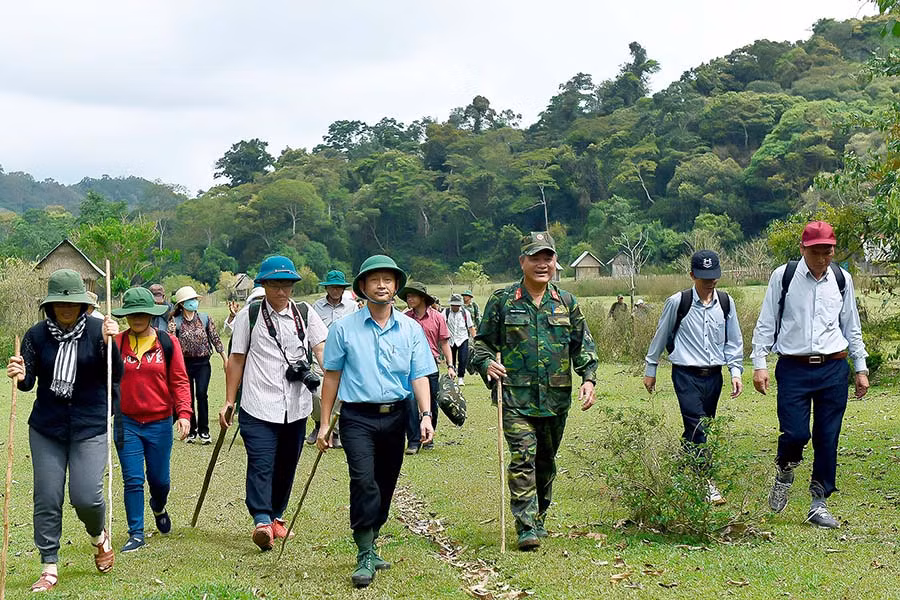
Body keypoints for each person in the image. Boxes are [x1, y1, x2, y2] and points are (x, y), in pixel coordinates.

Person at [472, 232, 598, 551]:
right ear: (522, 262)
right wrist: (487, 363)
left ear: (556, 262)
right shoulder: (502, 301)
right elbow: (482, 344)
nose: (542, 264)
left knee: (545, 461)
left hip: (555, 400)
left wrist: (588, 378)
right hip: (515, 398)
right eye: (535, 258)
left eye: (548, 258)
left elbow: (582, 345)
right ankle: (525, 525)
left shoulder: (567, 302)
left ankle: (539, 515)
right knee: (523, 456)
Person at [316, 254, 435, 588]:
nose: (382, 286)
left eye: (388, 280)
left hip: (397, 416)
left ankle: (373, 536)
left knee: (385, 483)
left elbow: (420, 375)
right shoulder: (343, 329)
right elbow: (332, 377)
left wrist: (425, 415)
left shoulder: (410, 329)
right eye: (374, 280)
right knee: (363, 480)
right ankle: (364, 551)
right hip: (357, 418)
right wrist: (325, 424)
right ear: (363, 287)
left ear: (396, 286)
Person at [6, 269, 122, 592]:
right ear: (51, 306)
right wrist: (19, 371)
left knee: (86, 496)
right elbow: (28, 382)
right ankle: (49, 565)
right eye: (60, 304)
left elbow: (116, 373)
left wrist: (112, 344)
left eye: (73, 304)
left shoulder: (100, 331)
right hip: (47, 428)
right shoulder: (36, 336)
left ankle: (99, 536)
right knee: (47, 495)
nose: (67, 310)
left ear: (84, 305)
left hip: (89, 426)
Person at [751, 221, 868, 529]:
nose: (822, 258)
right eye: (816, 252)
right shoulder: (784, 276)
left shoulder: (842, 279)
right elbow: (766, 322)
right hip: (793, 367)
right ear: (802, 249)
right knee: (796, 433)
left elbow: (851, 326)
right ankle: (785, 469)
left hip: (833, 366)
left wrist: (860, 368)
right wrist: (759, 363)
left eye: (827, 251)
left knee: (828, 436)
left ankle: (819, 502)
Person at [218, 256, 328, 551]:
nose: (282, 291)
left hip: (297, 405)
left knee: (287, 464)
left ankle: (277, 516)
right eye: (275, 284)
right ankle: (261, 520)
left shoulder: (305, 313)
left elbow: (321, 347)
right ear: (264, 285)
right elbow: (237, 358)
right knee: (261, 462)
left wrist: (331, 371)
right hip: (258, 404)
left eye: (287, 285)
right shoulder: (249, 316)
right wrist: (229, 400)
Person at [643, 250, 744, 504]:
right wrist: (651, 368)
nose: (709, 282)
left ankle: (680, 472)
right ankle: (706, 481)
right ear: (692, 275)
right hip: (686, 375)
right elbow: (661, 334)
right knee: (697, 424)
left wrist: (735, 371)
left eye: (713, 276)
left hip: (714, 376)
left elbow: (734, 340)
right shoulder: (678, 302)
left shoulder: (726, 302)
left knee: (701, 427)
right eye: (703, 277)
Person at [112, 287, 192, 552]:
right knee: (133, 479)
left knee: (159, 480)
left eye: (142, 313)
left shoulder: (167, 342)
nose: (137, 318)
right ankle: (136, 533)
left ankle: (158, 505)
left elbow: (180, 380)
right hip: (127, 423)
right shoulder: (115, 342)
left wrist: (184, 414)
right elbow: (100, 375)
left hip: (159, 423)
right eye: (132, 313)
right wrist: (103, 341)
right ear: (126, 315)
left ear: (151, 314)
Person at [398, 281, 454, 453]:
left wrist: (451, 366)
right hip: (409, 367)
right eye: (407, 296)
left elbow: (444, 342)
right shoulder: (404, 318)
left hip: (431, 366)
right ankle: (413, 440)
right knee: (410, 402)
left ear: (422, 298)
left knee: (431, 403)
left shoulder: (437, 317)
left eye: (413, 295)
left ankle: (428, 437)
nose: (409, 298)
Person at [169, 286, 227, 444]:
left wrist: (224, 358)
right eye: (189, 300)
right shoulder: (176, 321)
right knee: (187, 397)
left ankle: (204, 430)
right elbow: (172, 343)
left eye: (194, 299)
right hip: (184, 364)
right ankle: (191, 431)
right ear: (182, 303)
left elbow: (215, 338)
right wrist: (172, 332)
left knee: (202, 395)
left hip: (203, 363)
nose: (193, 302)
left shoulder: (205, 318)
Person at [308, 270, 358, 448]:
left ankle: (334, 432)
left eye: (339, 287)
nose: (335, 290)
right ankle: (318, 424)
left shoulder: (352, 307)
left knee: (339, 394)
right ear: (327, 288)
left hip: (343, 354)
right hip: (319, 353)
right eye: (332, 287)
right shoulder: (316, 306)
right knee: (315, 393)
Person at [443, 294, 476, 386]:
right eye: (453, 305)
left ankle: (461, 377)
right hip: (450, 339)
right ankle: (452, 376)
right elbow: (441, 324)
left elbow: (470, 327)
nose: (455, 307)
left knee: (463, 359)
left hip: (462, 338)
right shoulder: (446, 312)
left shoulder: (465, 313)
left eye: (457, 305)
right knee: (451, 359)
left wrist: (476, 339)